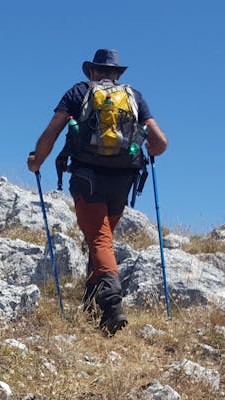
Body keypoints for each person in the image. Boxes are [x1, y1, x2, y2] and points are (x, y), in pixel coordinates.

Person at [28, 48, 168, 334]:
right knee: (100, 237)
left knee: (100, 239)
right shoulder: (134, 97)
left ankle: (112, 303)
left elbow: (53, 130)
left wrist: (36, 161)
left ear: (92, 71)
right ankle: (93, 305)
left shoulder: (78, 93)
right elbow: (161, 143)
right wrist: (149, 151)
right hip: (123, 178)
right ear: (116, 74)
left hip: (87, 177)